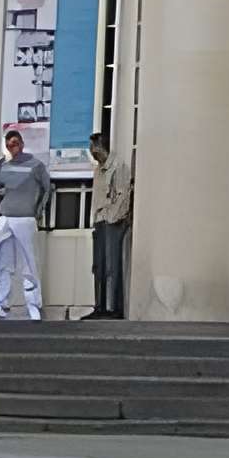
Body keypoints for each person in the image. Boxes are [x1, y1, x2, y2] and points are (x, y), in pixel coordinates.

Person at [0, 128, 48, 320]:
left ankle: (33, 304)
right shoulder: (3, 165)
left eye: (14, 144)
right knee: (2, 261)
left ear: (21, 144)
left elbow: (46, 188)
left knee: (29, 262)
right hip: (6, 216)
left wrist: (38, 211)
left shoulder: (36, 165)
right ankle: (0, 304)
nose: (11, 148)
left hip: (25, 217)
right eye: (8, 145)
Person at [87, 132, 133, 319]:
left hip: (113, 220)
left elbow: (123, 194)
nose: (91, 152)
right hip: (100, 219)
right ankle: (100, 306)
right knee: (98, 265)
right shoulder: (98, 169)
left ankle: (112, 307)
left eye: (93, 147)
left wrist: (113, 217)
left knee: (112, 265)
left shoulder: (118, 166)